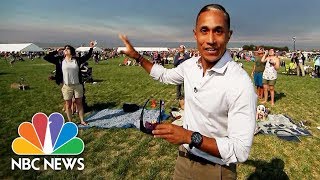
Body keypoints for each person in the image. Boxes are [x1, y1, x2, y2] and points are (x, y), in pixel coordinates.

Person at [119, 4, 256, 179]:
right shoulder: (190, 66)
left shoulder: (240, 82)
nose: (211, 39)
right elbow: (164, 75)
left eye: (219, 31)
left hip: (215, 169)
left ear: (229, 36)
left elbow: (240, 150)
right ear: (195, 34)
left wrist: (189, 136)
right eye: (204, 30)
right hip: (184, 161)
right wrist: (137, 56)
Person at [43, 41, 94, 125]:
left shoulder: (76, 60)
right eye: (65, 49)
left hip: (78, 85)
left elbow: (87, 56)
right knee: (68, 104)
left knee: (79, 104)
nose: (65, 50)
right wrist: (56, 51)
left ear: (72, 51)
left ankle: (82, 121)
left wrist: (91, 48)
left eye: (68, 48)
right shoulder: (60, 60)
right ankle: (70, 122)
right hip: (67, 86)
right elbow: (46, 57)